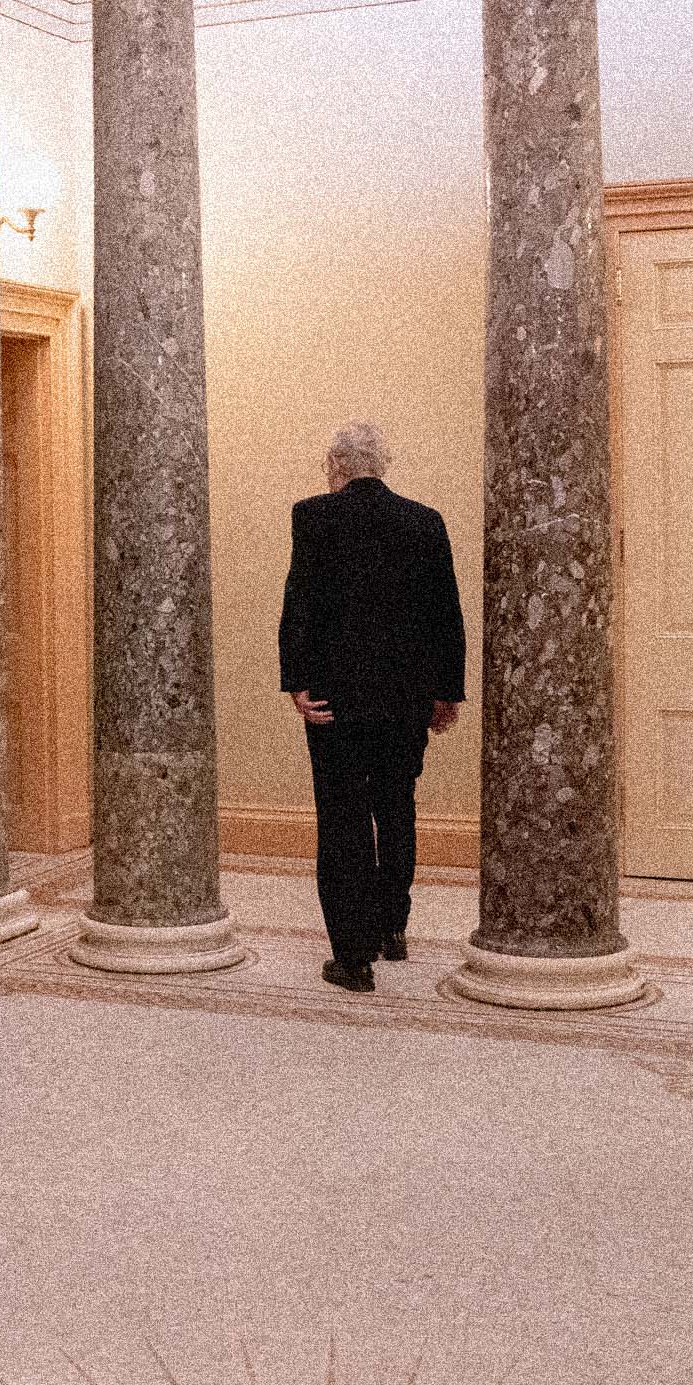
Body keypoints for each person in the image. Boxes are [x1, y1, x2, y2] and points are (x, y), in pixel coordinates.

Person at [277, 420, 467, 995]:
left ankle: (353, 958)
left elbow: (300, 603)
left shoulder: (313, 516)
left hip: (336, 699)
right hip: (405, 701)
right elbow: (445, 613)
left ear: (336, 468)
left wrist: (296, 681)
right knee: (397, 806)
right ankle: (393, 928)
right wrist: (446, 692)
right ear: (381, 466)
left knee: (343, 818)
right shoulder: (424, 522)